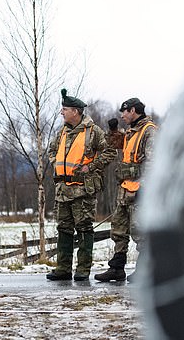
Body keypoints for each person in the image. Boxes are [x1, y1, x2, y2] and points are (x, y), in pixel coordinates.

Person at [46, 89, 116, 281]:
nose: (61, 112)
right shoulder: (62, 131)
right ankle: (63, 268)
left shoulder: (93, 132)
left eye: (65, 109)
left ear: (75, 111)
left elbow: (109, 152)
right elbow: (51, 150)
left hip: (82, 191)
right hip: (62, 190)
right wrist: (55, 163)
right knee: (64, 229)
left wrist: (91, 167)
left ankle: (83, 270)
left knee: (84, 229)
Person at [95, 97, 157, 283]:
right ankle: (116, 269)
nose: (122, 115)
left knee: (140, 232)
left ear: (133, 111)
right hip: (125, 190)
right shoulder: (131, 132)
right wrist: (113, 131)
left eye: (124, 112)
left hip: (139, 192)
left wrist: (144, 189)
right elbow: (115, 144)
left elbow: (154, 163)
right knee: (119, 231)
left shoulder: (149, 132)